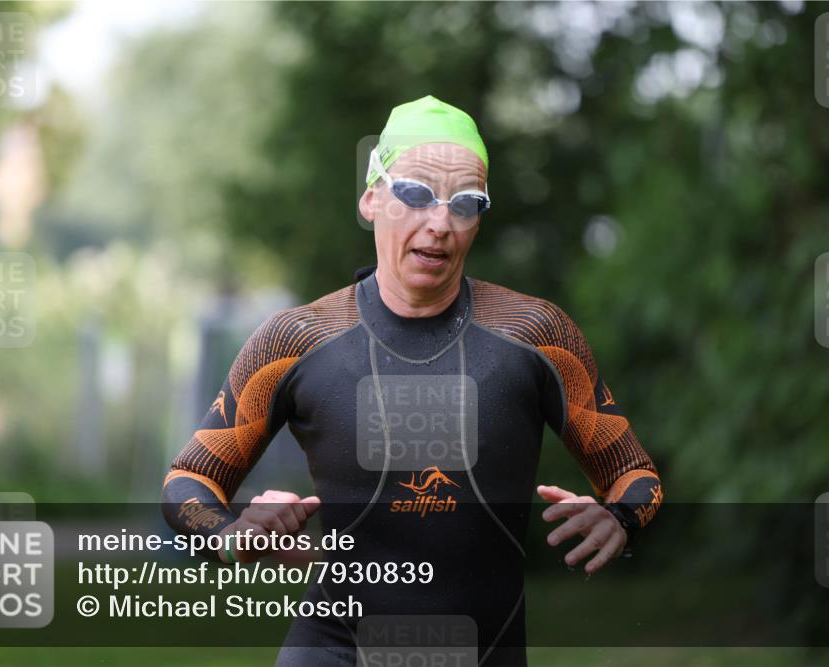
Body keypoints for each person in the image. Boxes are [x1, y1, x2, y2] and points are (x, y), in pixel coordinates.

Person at [161, 95, 663, 667]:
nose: (441, 223)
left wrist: (620, 517)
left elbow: (635, 475)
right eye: (416, 193)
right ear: (371, 198)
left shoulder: (537, 335)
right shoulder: (295, 339)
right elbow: (187, 481)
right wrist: (231, 537)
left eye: (466, 203)